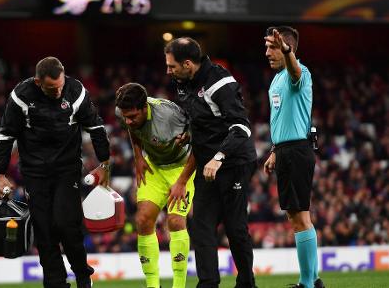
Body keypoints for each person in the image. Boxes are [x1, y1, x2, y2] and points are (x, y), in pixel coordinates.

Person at [0, 57, 110, 288]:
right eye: (51, 88)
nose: (58, 91)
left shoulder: (76, 91)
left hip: (67, 170)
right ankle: (55, 283)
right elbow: (7, 134)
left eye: (60, 85)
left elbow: (96, 127)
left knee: (66, 224)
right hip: (35, 174)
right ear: (38, 82)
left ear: (64, 75)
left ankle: (83, 276)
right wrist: (0, 173)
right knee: (44, 232)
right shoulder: (21, 96)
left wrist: (105, 163)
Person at [164, 37, 258, 288]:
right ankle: (207, 283)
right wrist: (188, 134)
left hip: (234, 160)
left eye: (172, 66)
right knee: (201, 226)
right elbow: (200, 121)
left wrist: (218, 157)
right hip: (207, 165)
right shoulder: (183, 83)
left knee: (235, 227)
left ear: (187, 64)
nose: (168, 71)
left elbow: (241, 127)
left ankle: (247, 283)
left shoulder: (221, 83)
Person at [115, 83, 195, 288]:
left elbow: (201, 144)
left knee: (176, 221)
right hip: (154, 168)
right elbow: (132, 128)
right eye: (125, 116)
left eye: (132, 116)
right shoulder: (124, 110)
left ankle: (179, 285)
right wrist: (138, 156)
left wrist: (182, 181)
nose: (128, 120)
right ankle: (152, 285)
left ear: (145, 108)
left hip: (181, 167)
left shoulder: (169, 117)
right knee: (142, 220)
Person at [263, 26, 325, 288]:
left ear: (286, 47)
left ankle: (307, 283)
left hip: (297, 151)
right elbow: (282, 119)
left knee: (300, 217)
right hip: (286, 151)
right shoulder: (276, 79)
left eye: (272, 47)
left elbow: (295, 71)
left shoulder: (298, 72)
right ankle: (312, 281)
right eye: (266, 47)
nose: (267, 52)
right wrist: (275, 150)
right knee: (295, 216)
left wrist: (287, 52)